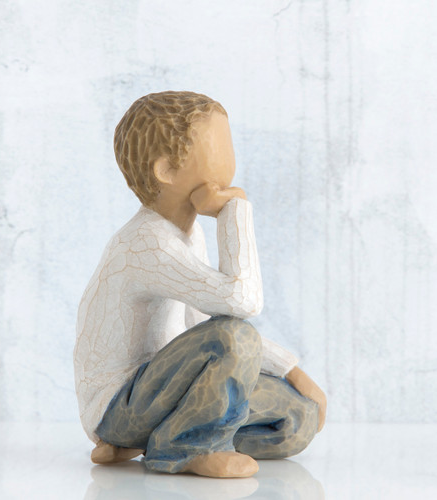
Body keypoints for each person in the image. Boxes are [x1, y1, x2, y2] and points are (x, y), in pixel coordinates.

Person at [74, 91, 327, 478]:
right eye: (220, 147)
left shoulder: (188, 234)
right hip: (120, 404)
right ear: (167, 171)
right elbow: (242, 303)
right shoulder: (146, 243)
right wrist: (235, 210)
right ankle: (183, 448)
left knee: (297, 419)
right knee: (234, 336)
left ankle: (165, 435)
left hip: (173, 390)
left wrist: (292, 371)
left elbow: (200, 322)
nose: (232, 160)